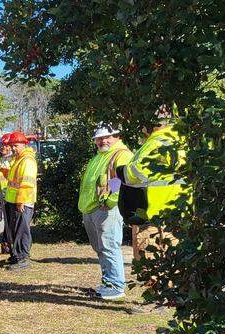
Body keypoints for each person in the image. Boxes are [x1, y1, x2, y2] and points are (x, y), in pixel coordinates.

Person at [121, 111, 187, 270]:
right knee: (179, 272)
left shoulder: (154, 144)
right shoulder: (184, 142)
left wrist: (122, 171)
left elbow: (133, 174)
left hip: (154, 220)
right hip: (182, 218)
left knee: (153, 272)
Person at [78, 124, 134, 300]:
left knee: (109, 246)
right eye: (99, 138)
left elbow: (121, 180)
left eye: (108, 136)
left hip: (107, 208)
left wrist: (111, 201)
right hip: (92, 208)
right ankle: (108, 282)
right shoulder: (100, 156)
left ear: (117, 136)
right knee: (101, 248)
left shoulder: (122, 154)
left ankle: (116, 286)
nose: (103, 140)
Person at [2, 131, 37, 270]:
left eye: (15, 145)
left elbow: (26, 183)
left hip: (22, 202)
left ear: (23, 144)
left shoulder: (27, 160)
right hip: (14, 200)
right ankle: (17, 256)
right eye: (12, 146)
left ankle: (23, 258)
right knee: (15, 230)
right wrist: (3, 171)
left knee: (21, 230)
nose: (13, 148)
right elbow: (13, 178)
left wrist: (21, 201)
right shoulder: (19, 159)